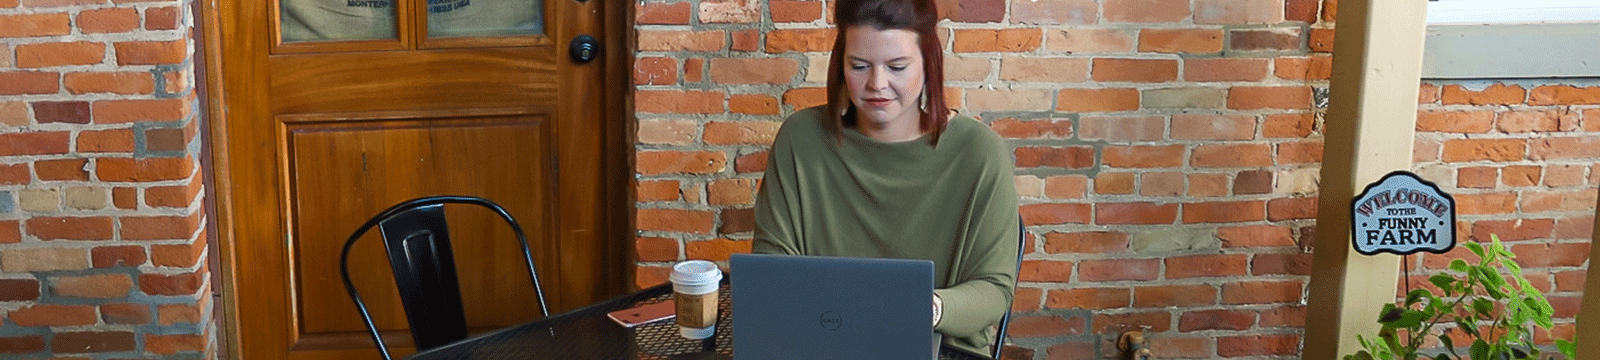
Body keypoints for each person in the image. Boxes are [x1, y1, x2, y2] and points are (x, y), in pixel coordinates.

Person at [750, 0, 1021, 355]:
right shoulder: (801, 140)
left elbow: (992, 290)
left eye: (897, 67)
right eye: (859, 66)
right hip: (821, 343)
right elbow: (773, 274)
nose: (877, 84)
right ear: (840, 66)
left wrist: (927, 308)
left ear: (928, 64)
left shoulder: (979, 152)